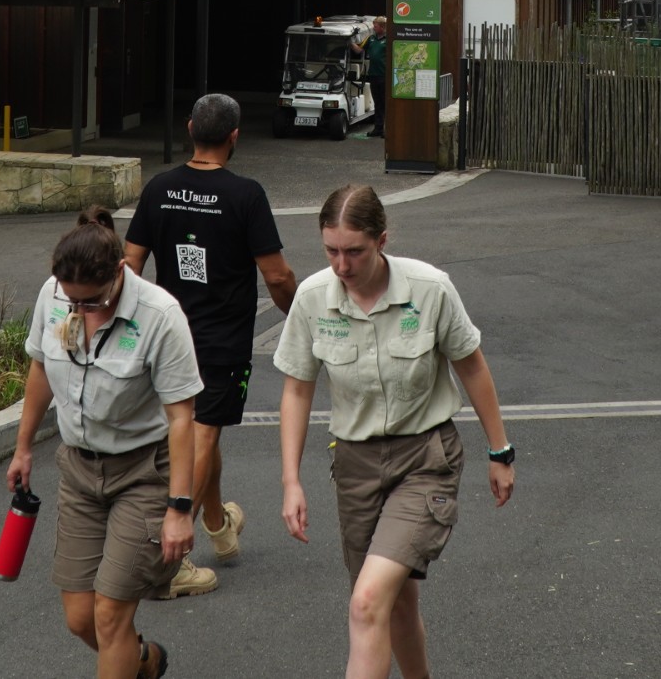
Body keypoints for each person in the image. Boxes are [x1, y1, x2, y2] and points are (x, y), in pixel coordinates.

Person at [275, 185, 515, 679]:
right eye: (331, 250)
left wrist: (501, 451)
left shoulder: (430, 289)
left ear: (383, 239)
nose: (342, 265)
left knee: (366, 602)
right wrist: (291, 480)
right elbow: (298, 390)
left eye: (355, 251)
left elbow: (471, 366)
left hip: (425, 460)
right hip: (356, 465)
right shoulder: (313, 297)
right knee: (394, 603)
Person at [10, 208, 204, 679]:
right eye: (71, 302)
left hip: (143, 475)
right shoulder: (54, 294)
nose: (79, 312)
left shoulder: (160, 316)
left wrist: (179, 509)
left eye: (91, 302)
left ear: (120, 273)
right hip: (79, 471)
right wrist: (23, 447)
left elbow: (183, 419)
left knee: (110, 616)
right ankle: (140, 661)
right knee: (80, 618)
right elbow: (40, 366)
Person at [124, 94, 297, 584]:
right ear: (234, 137)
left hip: (167, 336)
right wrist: (302, 318)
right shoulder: (246, 196)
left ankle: (218, 523)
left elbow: (130, 262)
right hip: (222, 341)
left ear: (189, 129)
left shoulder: (159, 188)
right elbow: (278, 276)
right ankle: (169, 564)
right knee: (203, 434)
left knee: (204, 426)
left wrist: (132, 323)